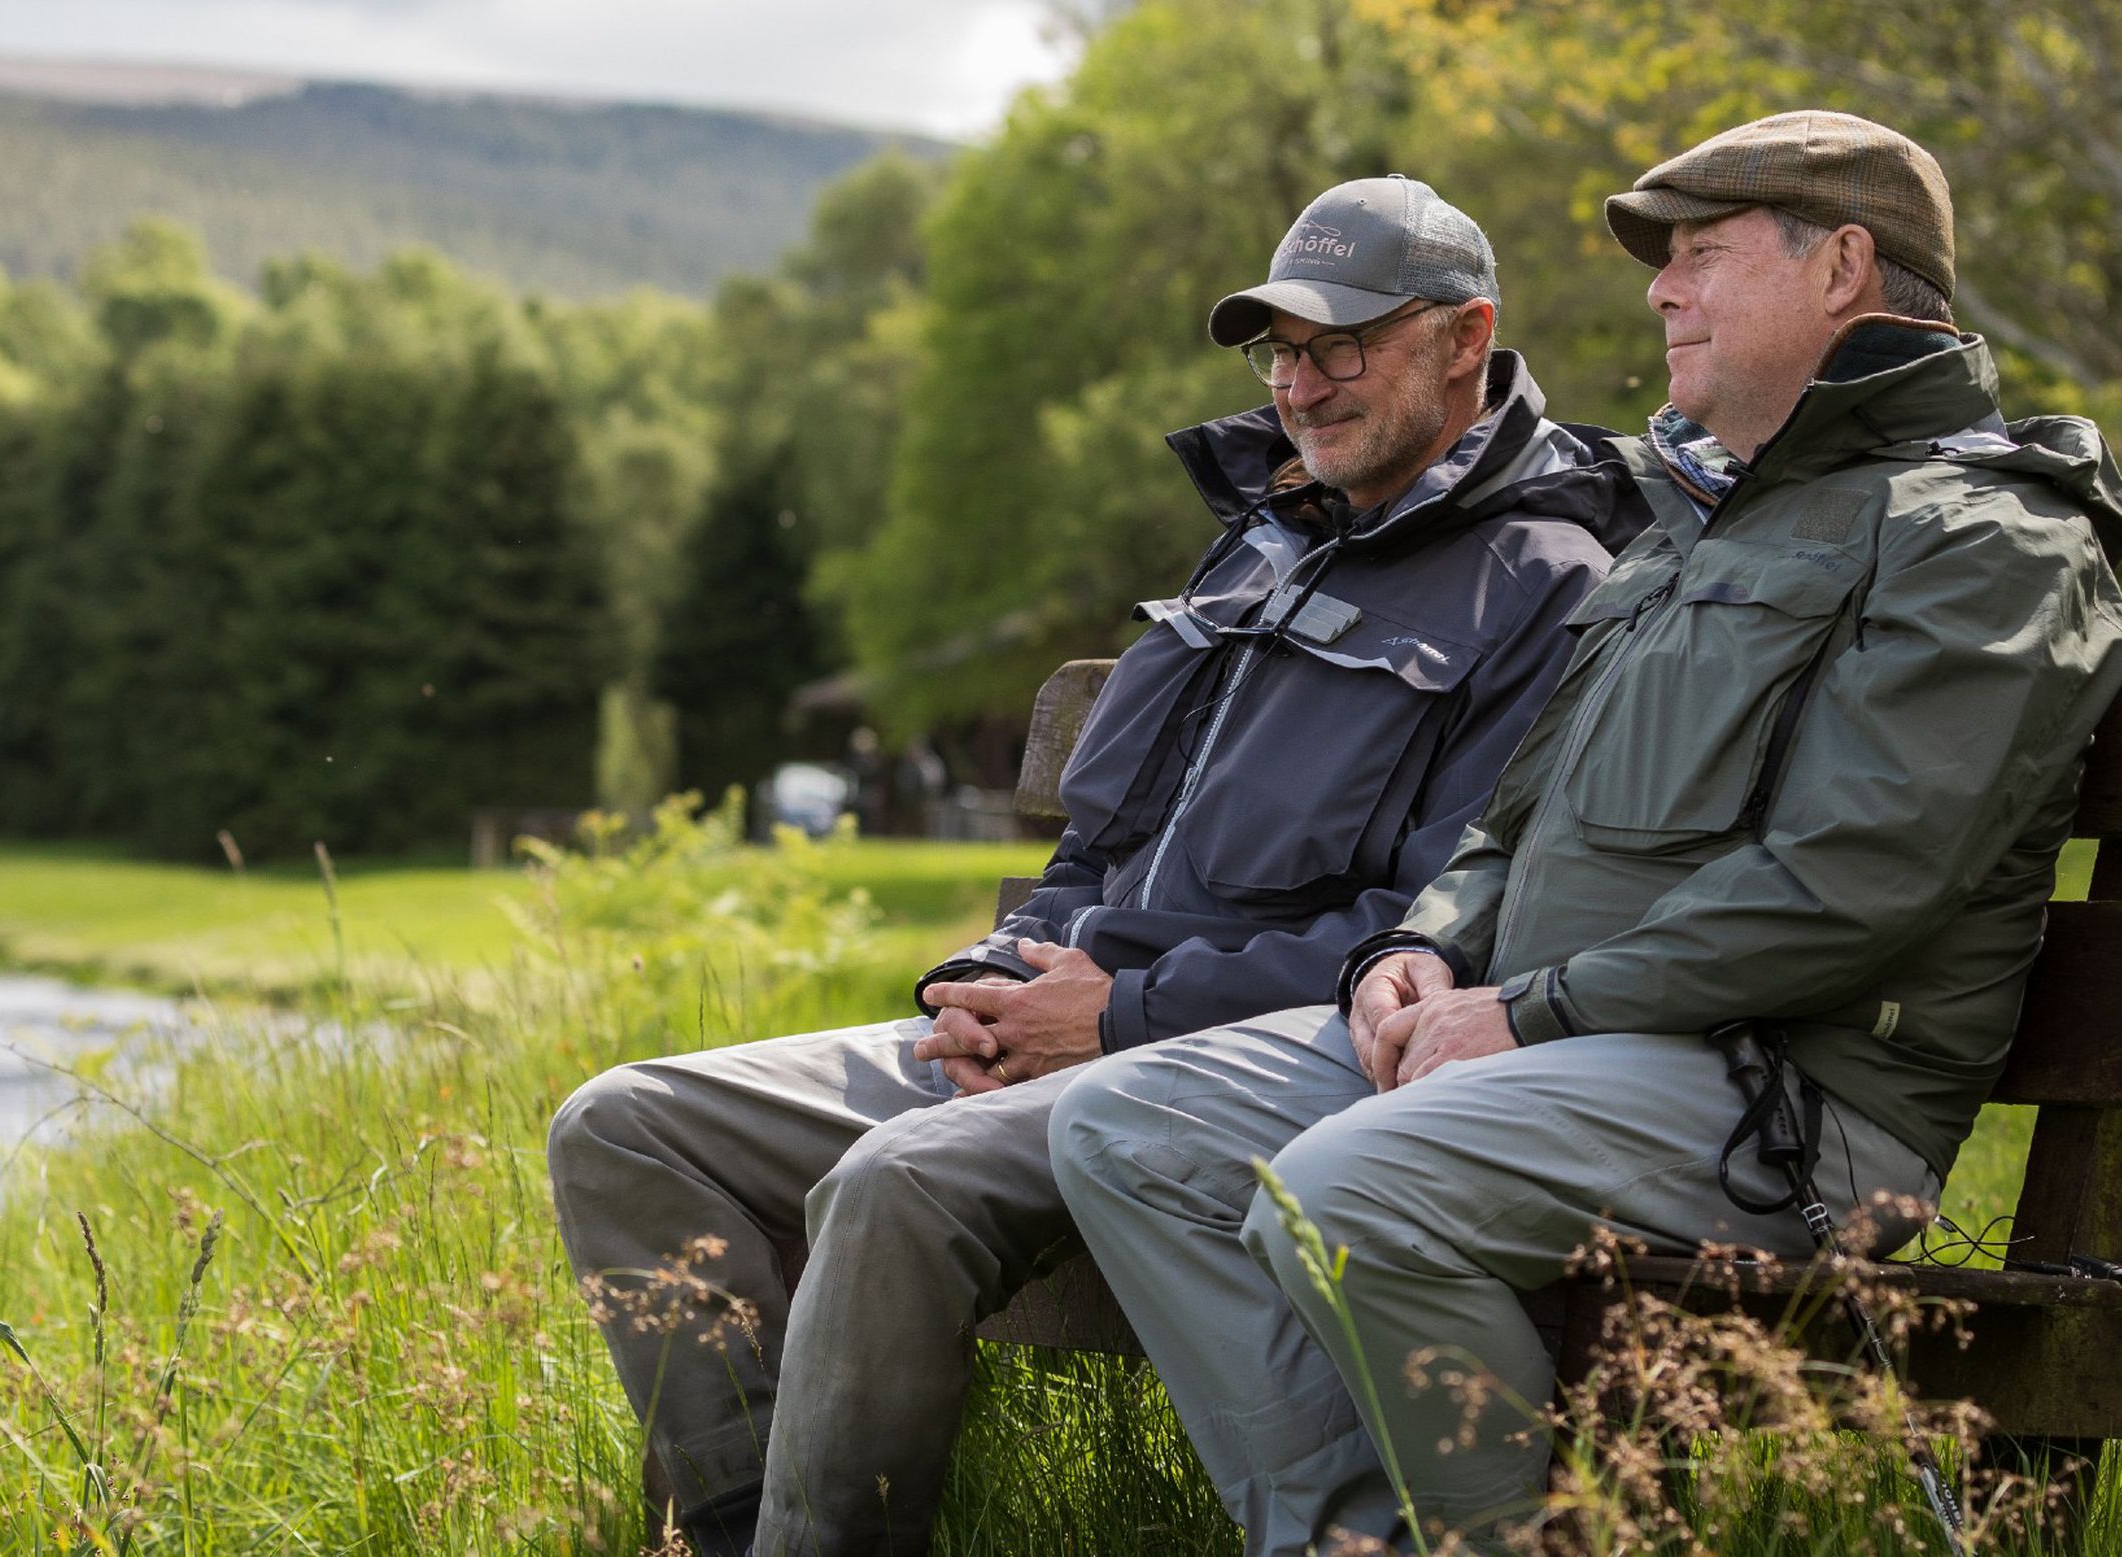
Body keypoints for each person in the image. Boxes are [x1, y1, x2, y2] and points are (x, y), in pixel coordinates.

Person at [1048, 110, 2122, 1552]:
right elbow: (1514, 821)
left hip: (1781, 1095)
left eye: (1698, 254)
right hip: (1569, 1049)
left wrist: (1532, 1007)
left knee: (1349, 1192)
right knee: (1129, 1126)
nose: (1659, 291)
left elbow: (1851, 884)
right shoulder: (1697, 528)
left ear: (1844, 269)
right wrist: (1420, 949)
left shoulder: (1982, 537)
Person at [546, 175, 1641, 1557]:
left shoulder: (1553, 579)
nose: (1301, 384)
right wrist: (994, 978)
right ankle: (729, 1525)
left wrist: (1118, 1015)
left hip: (1245, 1061)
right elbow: (1100, 846)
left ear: (1463, 339)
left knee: (895, 1177)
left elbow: (1438, 927)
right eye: (1280, 351)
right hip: (1061, 1030)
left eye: (1342, 345)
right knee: (622, 1121)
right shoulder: (1264, 542)